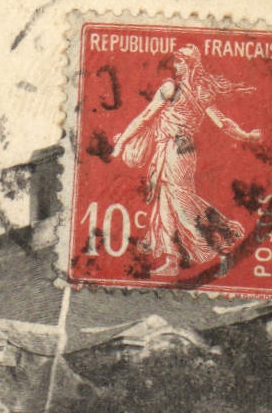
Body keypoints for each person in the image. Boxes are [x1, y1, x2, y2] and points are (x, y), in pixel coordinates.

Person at [110, 43, 263, 277]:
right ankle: (172, 260)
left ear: (190, 65)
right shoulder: (196, 91)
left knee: (182, 207)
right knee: (166, 205)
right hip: (173, 151)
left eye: (180, 61)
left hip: (176, 152)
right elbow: (147, 117)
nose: (176, 65)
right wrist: (246, 135)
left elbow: (146, 117)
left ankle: (222, 247)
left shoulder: (177, 89)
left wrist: (121, 144)